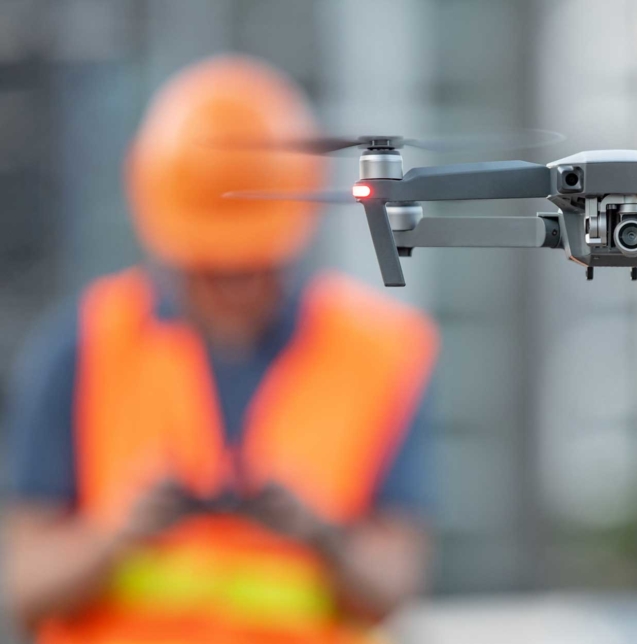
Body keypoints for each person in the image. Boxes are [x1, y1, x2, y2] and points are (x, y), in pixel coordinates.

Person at [2, 55, 438, 644]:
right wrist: (118, 534)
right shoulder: (82, 346)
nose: (231, 285)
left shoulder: (379, 353)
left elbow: (394, 583)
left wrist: (321, 535)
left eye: (251, 266)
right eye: (209, 268)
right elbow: (24, 586)